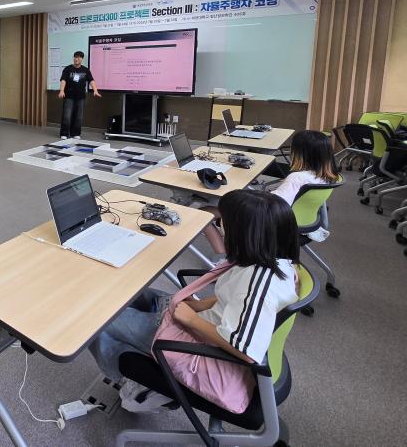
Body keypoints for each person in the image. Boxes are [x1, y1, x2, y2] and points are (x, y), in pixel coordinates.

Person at [89, 190, 300, 412]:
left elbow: (245, 350)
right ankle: (137, 358)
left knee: (96, 318)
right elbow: (234, 298)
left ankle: (138, 381)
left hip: (197, 346)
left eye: (223, 223)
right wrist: (199, 306)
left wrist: (191, 319)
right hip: (206, 324)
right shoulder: (272, 262)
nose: (220, 227)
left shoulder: (259, 284)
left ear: (244, 233)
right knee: (130, 292)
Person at [201, 129, 339, 255]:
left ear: (301, 154)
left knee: (205, 212)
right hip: (305, 222)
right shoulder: (330, 175)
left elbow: (273, 206)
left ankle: (228, 255)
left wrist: (244, 196)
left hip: (273, 223)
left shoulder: (297, 178)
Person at [58, 51, 101, 140]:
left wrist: (95, 90)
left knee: (78, 116)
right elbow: (63, 80)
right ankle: (64, 133)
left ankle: (75, 133)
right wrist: (61, 91)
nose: (76, 59)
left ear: (82, 59)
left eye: (78, 57)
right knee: (67, 115)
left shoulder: (85, 70)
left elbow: (91, 80)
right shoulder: (68, 69)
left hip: (80, 97)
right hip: (69, 96)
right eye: (75, 57)